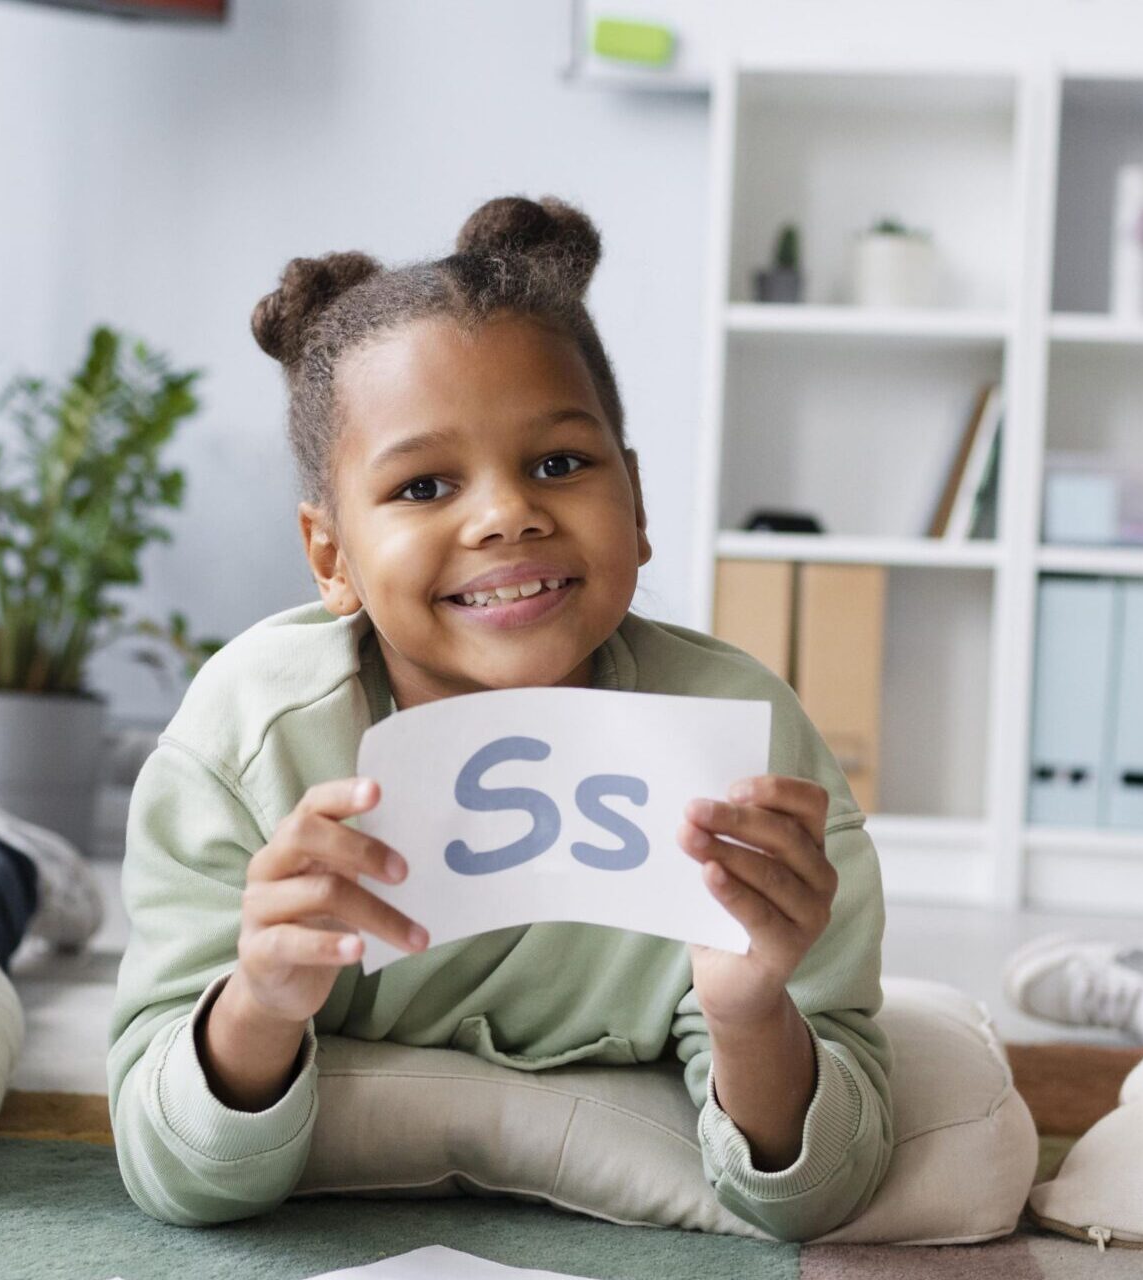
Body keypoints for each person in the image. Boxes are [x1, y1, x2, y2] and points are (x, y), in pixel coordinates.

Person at [106, 196, 893, 1240]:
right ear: (329, 555)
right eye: (423, 484)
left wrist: (749, 1009)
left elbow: (819, 1190)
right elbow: (170, 1169)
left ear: (639, 503)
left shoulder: (743, 741)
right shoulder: (250, 736)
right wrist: (258, 997)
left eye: (560, 463)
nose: (505, 514)